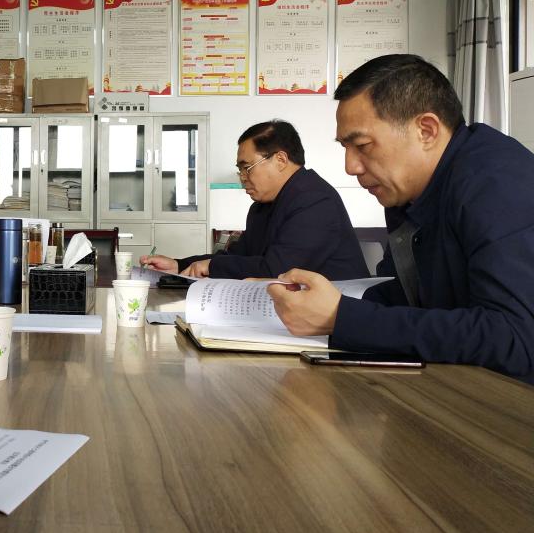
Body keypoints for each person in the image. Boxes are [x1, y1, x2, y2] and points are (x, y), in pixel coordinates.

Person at [268, 54, 534, 382]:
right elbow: (402, 298)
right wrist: (319, 305)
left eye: (363, 145)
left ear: (426, 131)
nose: (350, 167)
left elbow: (516, 341)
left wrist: (342, 317)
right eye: (345, 148)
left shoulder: (497, 184)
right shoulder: (409, 194)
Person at [141, 120, 368, 280]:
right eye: (240, 170)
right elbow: (238, 257)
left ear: (280, 160)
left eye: (247, 168)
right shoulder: (262, 207)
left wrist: (211, 266)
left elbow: (277, 271)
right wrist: (180, 264)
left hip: (336, 319)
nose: (242, 177)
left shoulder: (314, 200)